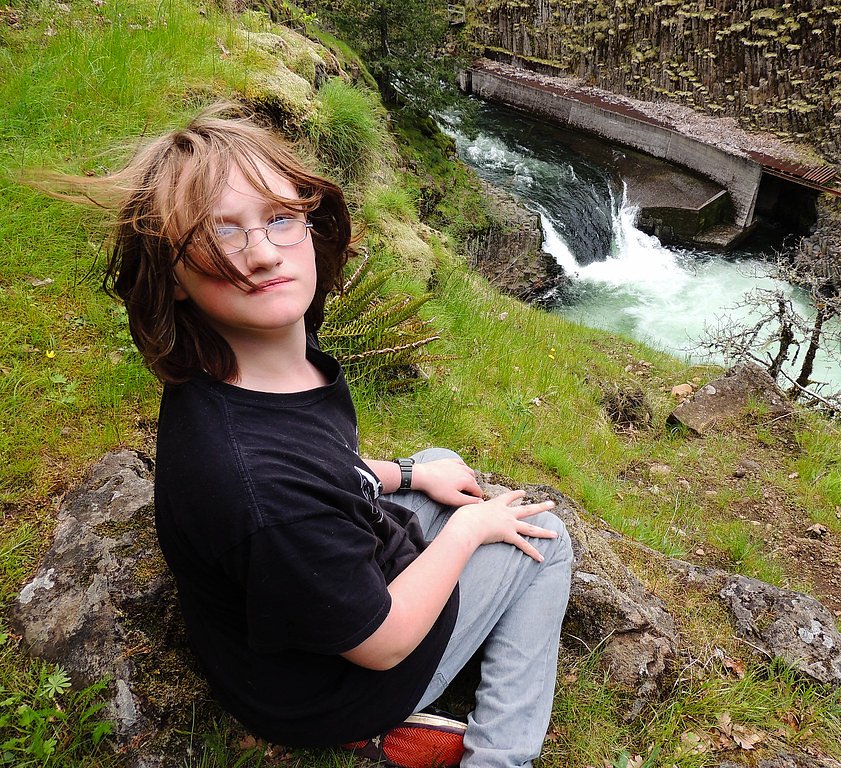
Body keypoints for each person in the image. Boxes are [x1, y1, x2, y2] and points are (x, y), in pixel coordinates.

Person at [68, 105, 573, 767]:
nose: (263, 252)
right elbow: (383, 640)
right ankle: (495, 757)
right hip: (328, 687)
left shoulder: (255, 347)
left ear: (309, 223)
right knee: (545, 540)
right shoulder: (262, 488)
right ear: (174, 277)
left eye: (279, 218)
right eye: (222, 233)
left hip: (291, 623)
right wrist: (469, 532)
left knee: (441, 464)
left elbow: (321, 464)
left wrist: (408, 475)